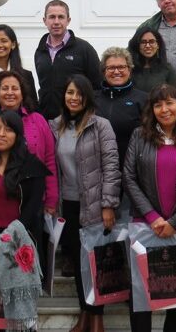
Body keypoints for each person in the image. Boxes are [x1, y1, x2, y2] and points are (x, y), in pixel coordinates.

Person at [123, 84, 176, 332]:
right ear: (152, 109)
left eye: (169, 103)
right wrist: (152, 217)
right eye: (158, 104)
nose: (164, 109)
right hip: (144, 225)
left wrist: (174, 222)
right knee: (141, 294)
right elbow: (129, 177)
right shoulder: (140, 136)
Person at [51, 75, 120, 332]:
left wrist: (108, 204)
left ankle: (96, 319)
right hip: (66, 207)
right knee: (79, 265)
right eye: (70, 92)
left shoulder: (100, 126)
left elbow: (112, 166)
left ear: (88, 97)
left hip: (93, 205)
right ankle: (85, 314)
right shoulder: (55, 126)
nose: (74, 97)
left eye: (79, 93)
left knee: (94, 264)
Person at [0, 71, 58, 215]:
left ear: (22, 93)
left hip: (33, 202)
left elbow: (49, 160)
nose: (10, 92)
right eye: (5, 88)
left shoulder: (38, 121)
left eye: (15, 88)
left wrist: (51, 199)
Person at [0, 109, 50, 249]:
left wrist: (12, 238)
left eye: (8, 129)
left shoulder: (32, 166)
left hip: (23, 240)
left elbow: (32, 207)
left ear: (18, 134)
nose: (1, 134)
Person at [34, 0, 102, 120]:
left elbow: (97, 87)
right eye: (52, 17)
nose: (56, 22)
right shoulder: (40, 52)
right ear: (44, 20)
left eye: (61, 17)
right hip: (47, 119)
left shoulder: (84, 49)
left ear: (68, 20)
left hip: (76, 119)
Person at [94, 47, 149, 166]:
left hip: (132, 167)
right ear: (104, 71)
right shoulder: (92, 99)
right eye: (111, 68)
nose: (116, 71)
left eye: (121, 67)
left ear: (129, 70)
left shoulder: (144, 99)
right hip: (97, 168)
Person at [128, 25, 176, 95]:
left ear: (158, 45)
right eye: (143, 42)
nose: (148, 46)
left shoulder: (167, 69)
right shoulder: (129, 69)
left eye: (151, 42)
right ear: (137, 45)